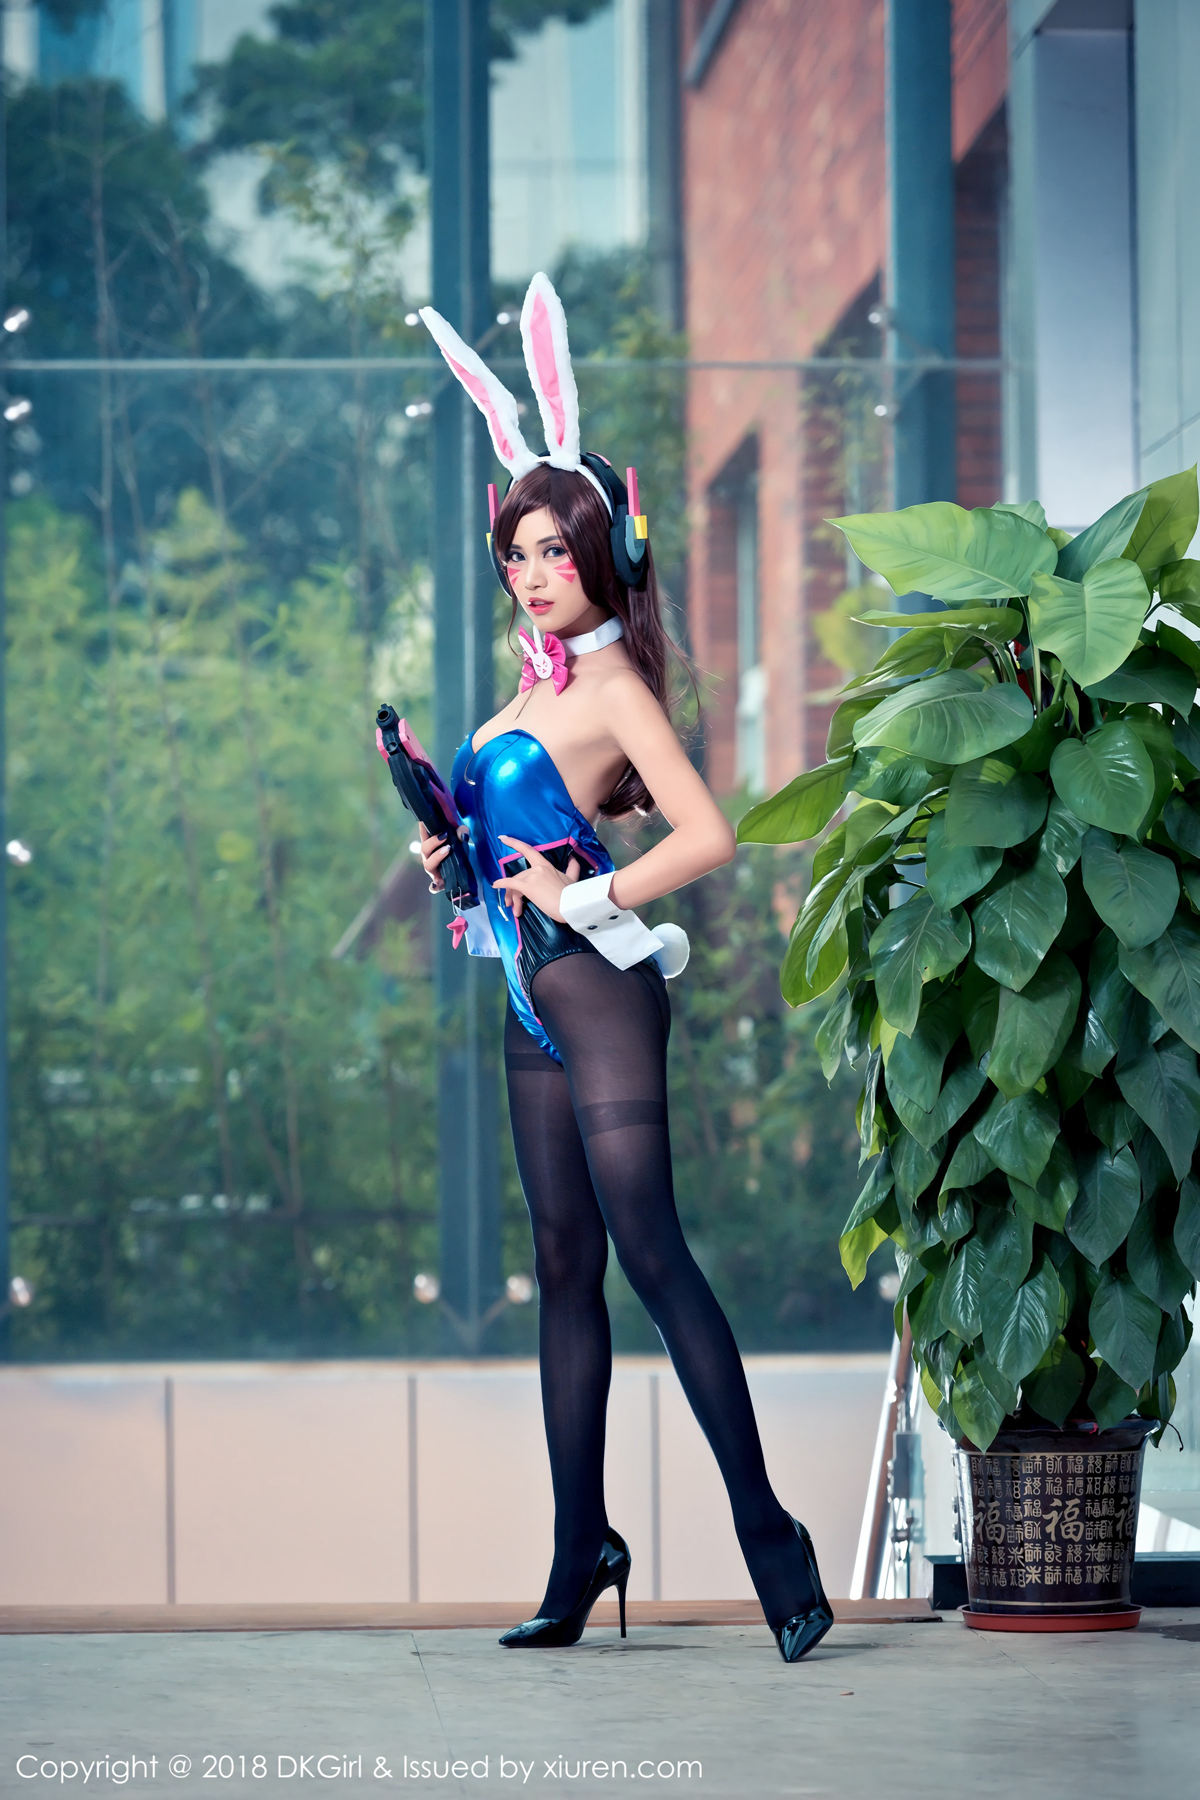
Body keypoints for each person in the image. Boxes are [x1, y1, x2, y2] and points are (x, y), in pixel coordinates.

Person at [415, 272, 833, 1663]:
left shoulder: (612, 690)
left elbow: (707, 833)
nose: (530, 573)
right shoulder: (533, 692)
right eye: (517, 554)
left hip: (599, 992)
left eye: (553, 550)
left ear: (603, 551)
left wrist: (586, 890)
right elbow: (516, 837)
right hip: (528, 994)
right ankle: (579, 1549)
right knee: (562, 1264)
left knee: (651, 1252)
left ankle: (771, 1539)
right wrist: (459, 858)